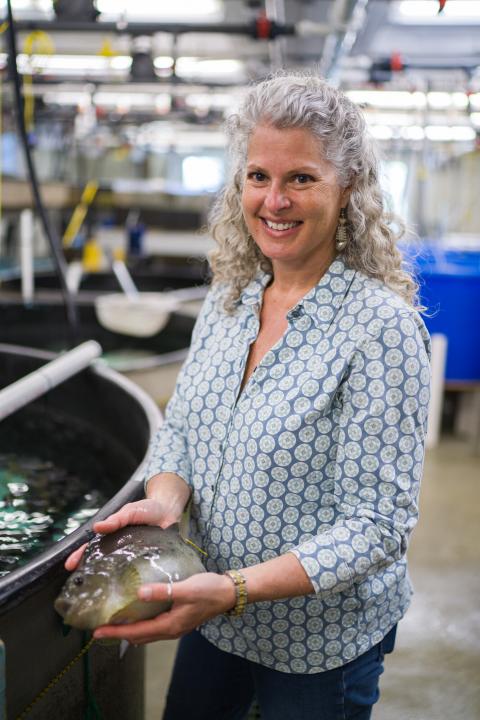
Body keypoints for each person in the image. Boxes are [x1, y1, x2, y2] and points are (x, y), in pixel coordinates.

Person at [67, 72, 431, 720]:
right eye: (259, 176)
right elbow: (179, 428)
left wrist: (233, 589)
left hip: (317, 644)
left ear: (346, 188)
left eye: (301, 178)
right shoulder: (229, 298)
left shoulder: (380, 328)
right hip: (213, 619)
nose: (275, 200)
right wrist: (166, 502)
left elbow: (376, 526)